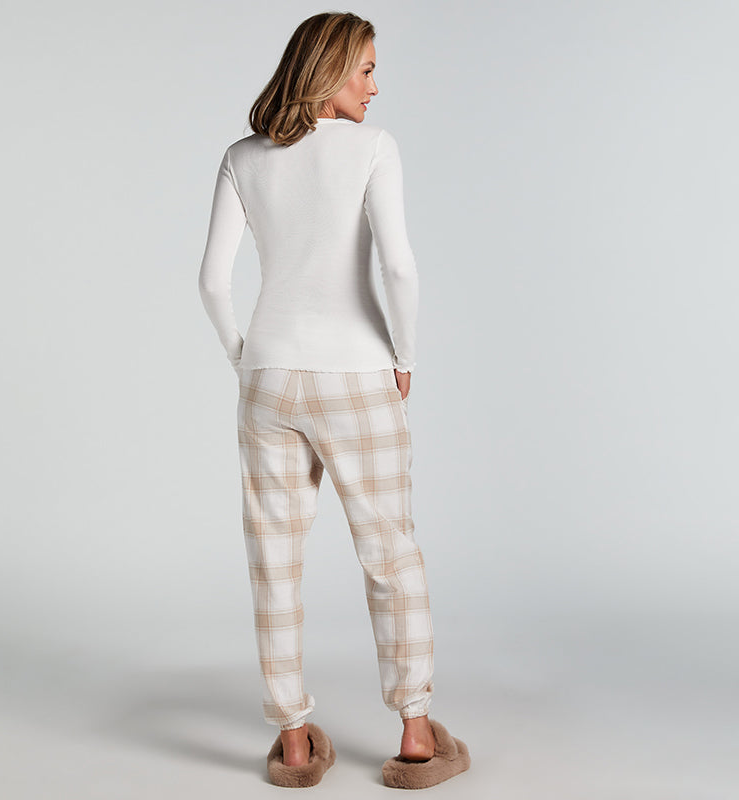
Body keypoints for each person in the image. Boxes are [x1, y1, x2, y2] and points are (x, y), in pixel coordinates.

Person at [198, 12, 469, 789]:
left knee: (274, 559)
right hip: (357, 374)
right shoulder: (373, 149)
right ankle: (415, 735)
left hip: (268, 376)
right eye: (365, 70)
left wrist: (244, 357)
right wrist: (406, 356)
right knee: (390, 553)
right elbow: (400, 268)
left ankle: (292, 741)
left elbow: (212, 282)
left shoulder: (242, 158)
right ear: (328, 70)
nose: (375, 87)